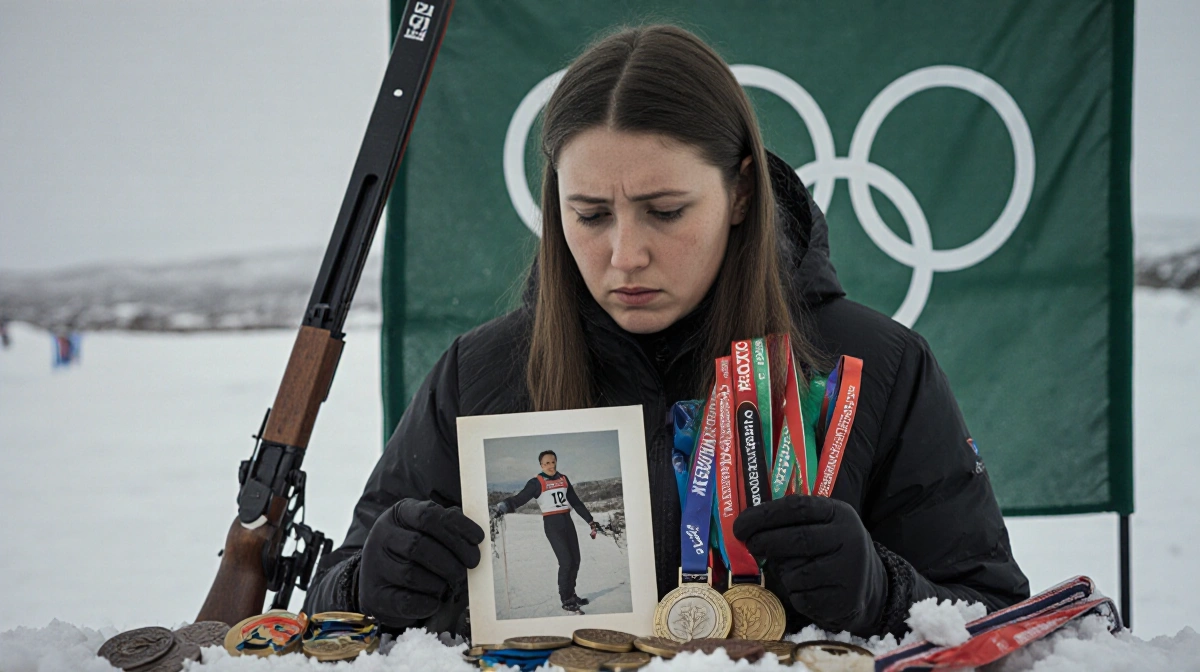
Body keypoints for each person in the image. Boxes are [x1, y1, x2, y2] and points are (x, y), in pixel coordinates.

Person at [303, 24, 1029, 638]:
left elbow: (1002, 615)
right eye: (589, 215)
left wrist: (886, 592)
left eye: (666, 210)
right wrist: (368, 584)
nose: (625, 254)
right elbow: (324, 602)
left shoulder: (878, 365)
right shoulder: (480, 372)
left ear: (741, 192)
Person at [490, 450, 599, 612]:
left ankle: (572, 593)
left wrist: (590, 520)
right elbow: (520, 498)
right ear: (541, 465)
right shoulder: (536, 482)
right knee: (566, 561)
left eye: (553, 462)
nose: (550, 465)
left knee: (575, 560)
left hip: (567, 522)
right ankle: (566, 599)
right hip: (552, 524)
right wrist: (503, 507)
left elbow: (575, 502)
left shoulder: (563, 479)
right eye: (546, 463)